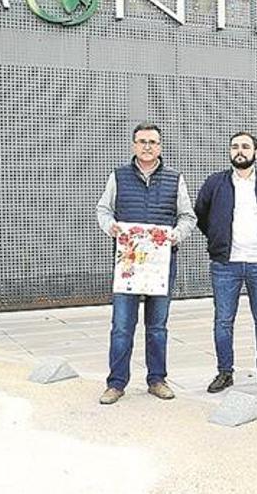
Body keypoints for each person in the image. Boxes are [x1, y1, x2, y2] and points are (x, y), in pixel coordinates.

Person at [95, 122, 196, 405]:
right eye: (142, 141)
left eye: (153, 142)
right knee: (122, 326)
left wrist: (176, 235)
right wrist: (111, 227)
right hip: (128, 265)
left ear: (160, 146)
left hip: (161, 265)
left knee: (157, 327)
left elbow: (188, 216)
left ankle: (157, 380)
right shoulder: (118, 177)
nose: (147, 146)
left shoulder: (175, 179)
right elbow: (103, 209)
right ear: (133, 146)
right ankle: (116, 384)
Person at [195, 131, 257, 393]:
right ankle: (225, 372)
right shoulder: (215, 182)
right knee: (223, 320)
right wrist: (217, 237)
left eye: (245, 146)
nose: (239, 151)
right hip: (225, 263)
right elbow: (202, 215)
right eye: (234, 146)